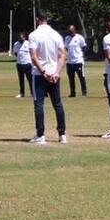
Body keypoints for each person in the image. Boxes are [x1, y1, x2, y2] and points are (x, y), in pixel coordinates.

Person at [28, 12, 67, 144]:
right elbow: (62, 55)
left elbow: (33, 56)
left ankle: (41, 135)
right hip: (54, 73)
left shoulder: (33, 35)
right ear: (47, 19)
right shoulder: (56, 35)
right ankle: (62, 134)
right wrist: (57, 72)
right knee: (57, 103)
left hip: (39, 74)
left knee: (39, 104)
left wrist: (43, 72)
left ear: (37, 19)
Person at [65, 25, 87, 98]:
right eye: (69, 31)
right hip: (69, 62)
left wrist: (81, 55)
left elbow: (84, 47)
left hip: (78, 61)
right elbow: (66, 48)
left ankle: (84, 92)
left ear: (74, 30)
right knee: (71, 78)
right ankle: (72, 93)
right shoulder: (67, 38)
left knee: (81, 77)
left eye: (71, 31)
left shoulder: (79, 37)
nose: (70, 33)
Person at [12, 32, 31, 98]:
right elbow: (15, 53)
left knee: (30, 79)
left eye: (22, 38)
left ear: (24, 37)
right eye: (19, 38)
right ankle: (22, 93)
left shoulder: (28, 43)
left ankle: (33, 93)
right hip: (19, 64)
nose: (20, 39)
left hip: (27, 64)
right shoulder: (16, 44)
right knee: (21, 80)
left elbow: (32, 53)